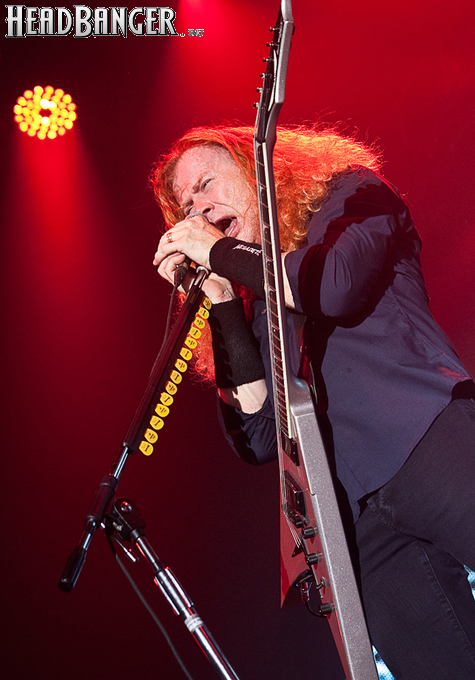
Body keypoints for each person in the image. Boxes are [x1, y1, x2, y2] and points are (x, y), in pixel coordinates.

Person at [152, 124, 475, 680]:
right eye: (186, 207)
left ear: (256, 168)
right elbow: (257, 435)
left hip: (426, 438)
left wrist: (223, 252)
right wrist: (222, 299)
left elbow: (334, 285)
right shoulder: (259, 301)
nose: (198, 210)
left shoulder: (349, 194)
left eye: (206, 185)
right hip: (352, 516)